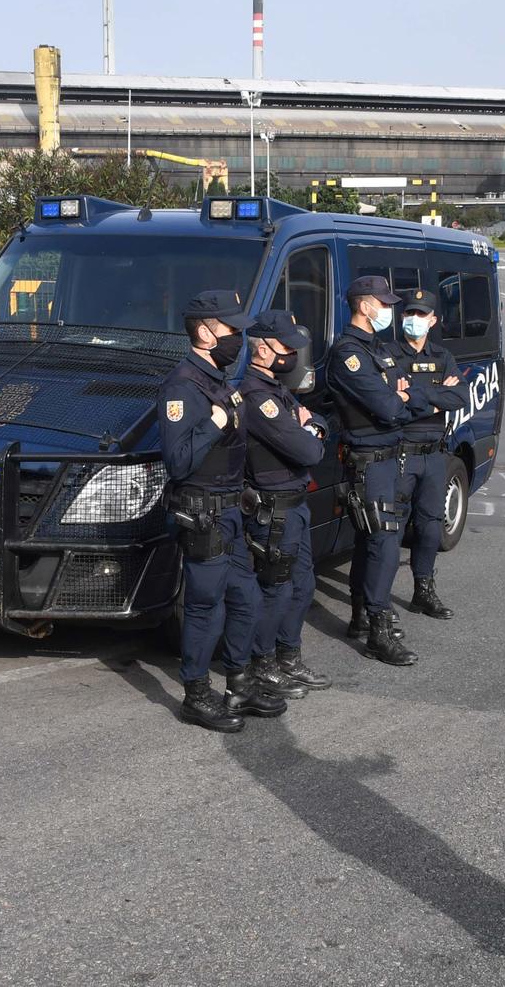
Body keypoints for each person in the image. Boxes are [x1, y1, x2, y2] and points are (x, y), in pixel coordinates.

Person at [158, 288, 284, 732]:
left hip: (232, 512)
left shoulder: (217, 382)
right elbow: (178, 461)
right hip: (204, 513)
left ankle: (238, 681)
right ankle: (195, 693)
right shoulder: (183, 386)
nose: (240, 338)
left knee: (244, 598)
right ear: (207, 332)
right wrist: (212, 423)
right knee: (205, 605)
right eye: (233, 329)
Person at [325, 275, 421, 666]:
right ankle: (378, 628)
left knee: (372, 542)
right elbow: (391, 407)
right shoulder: (349, 353)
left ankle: (362, 614)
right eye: (384, 303)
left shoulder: (375, 348)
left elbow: (404, 389)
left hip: (386, 458)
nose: (390, 310)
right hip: (368, 461)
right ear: (364, 306)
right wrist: (396, 397)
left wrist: (398, 394)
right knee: (382, 544)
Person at [237, 308, 331, 699]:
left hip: (294, 504)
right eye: (285, 347)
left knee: (302, 583)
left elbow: (319, 426)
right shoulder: (259, 397)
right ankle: (263, 665)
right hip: (273, 508)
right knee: (275, 589)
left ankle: (288, 658)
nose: (292, 354)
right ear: (261, 350)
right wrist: (309, 428)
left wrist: (312, 427)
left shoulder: (278, 390)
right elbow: (308, 448)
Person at [391, 289, 470, 620]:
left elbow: (460, 397)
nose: (413, 320)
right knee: (389, 527)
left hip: (435, 454)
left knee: (429, 526)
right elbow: (393, 402)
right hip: (400, 453)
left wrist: (416, 395)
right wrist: (437, 396)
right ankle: (377, 600)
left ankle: (423, 590)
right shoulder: (388, 354)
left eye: (421, 315)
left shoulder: (443, 355)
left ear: (433, 320)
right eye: (409, 313)